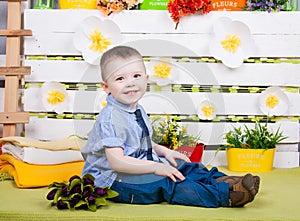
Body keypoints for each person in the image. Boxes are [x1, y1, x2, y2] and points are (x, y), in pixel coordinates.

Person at [81, 45, 260, 208]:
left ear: (146, 78)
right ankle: (226, 195)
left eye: (136, 76)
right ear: (106, 87)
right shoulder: (110, 118)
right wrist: (155, 167)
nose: (130, 83)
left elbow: (139, 143)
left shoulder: (136, 108)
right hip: (114, 180)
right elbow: (117, 161)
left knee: (183, 166)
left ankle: (227, 182)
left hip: (140, 164)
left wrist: (164, 152)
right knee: (168, 183)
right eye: (120, 78)